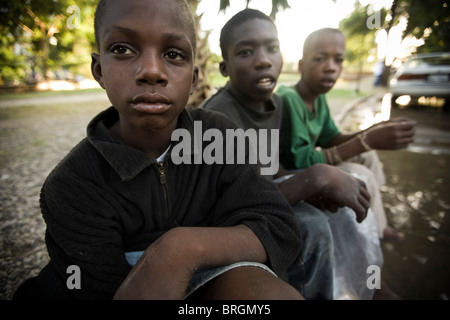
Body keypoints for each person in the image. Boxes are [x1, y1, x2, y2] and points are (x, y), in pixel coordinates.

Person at [13, 0, 304, 300]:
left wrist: (182, 249)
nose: (151, 71)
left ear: (193, 78)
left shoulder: (219, 135)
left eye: (174, 54)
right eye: (123, 49)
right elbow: (94, 289)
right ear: (99, 70)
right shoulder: (72, 185)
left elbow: (278, 226)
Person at [202, 9, 385, 300]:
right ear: (224, 68)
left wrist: (311, 186)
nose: (264, 60)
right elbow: (234, 201)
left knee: (340, 195)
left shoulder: (276, 104)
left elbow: (270, 170)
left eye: (272, 48)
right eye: (246, 52)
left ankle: (363, 283)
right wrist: (314, 178)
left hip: (259, 194)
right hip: (226, 217)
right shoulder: (216, 118)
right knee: (311, 226)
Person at [277, 28, 417, 241]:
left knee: (368, 155)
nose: (331, 68)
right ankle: (372, 230)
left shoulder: (318, 98)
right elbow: (300, 158)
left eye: (339, 60)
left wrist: (377, 131)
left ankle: (376, 217)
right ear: (301, 65)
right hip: (295, 174)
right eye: (320, 59)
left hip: (309, 165)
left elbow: (332, 139)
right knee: (361, 172)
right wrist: (366, 140)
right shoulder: (289, 98)